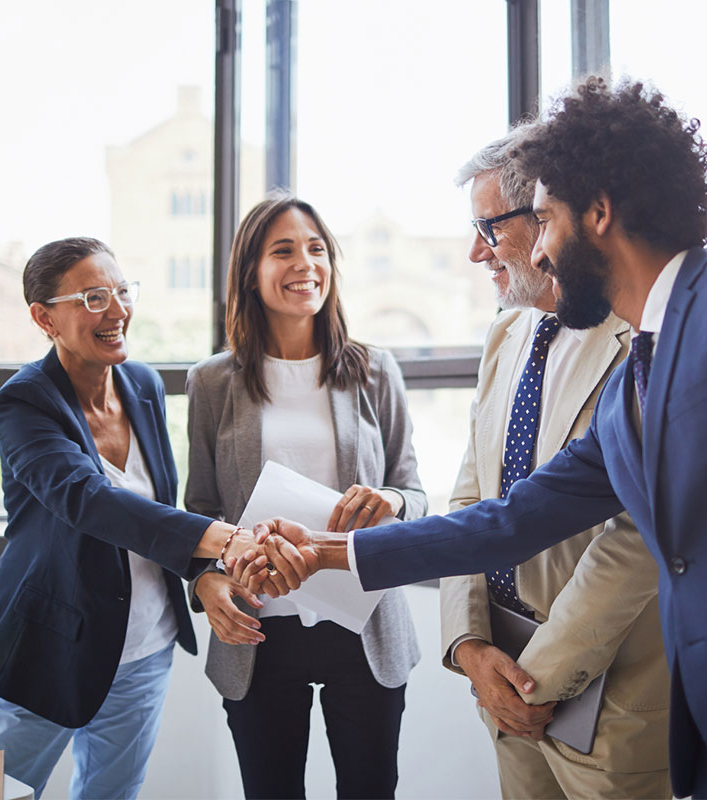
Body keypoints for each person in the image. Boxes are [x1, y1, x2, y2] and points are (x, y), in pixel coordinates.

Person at [252, 79, 707, 799]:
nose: (542, 252)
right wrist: (324, 554)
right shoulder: (632, 387)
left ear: (600, 213)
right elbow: (509, 520)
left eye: (544, 220)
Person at [0, 237, 274, 799]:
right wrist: (223, 540)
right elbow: (84, 499)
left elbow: (156, 510)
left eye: (121, 291)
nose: (116, 310)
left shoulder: (143, 384)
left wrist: (201, 573)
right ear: (45, 318)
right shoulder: (25, 401)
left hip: (143, 650)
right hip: (48, 646)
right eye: (92, 297)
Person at [441, 129, 669, 798]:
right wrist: (468, 645)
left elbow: (636, 538)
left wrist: (537, 676)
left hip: (610, 697)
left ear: (548, 216)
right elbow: (471, 497)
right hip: (499, 674)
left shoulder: (639, 338)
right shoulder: (506, 330)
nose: (476, 251)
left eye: (489, 227)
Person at [184, 190, 425, 800]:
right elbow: (199, 511)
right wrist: (205, 580)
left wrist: (391, 503)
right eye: (283, 250)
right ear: (251, 271)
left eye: (317, 249)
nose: (305, 264)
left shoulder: (375, 369)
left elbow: (415, 493)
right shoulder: (213, 381)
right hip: (259, 627)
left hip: (363, 622)